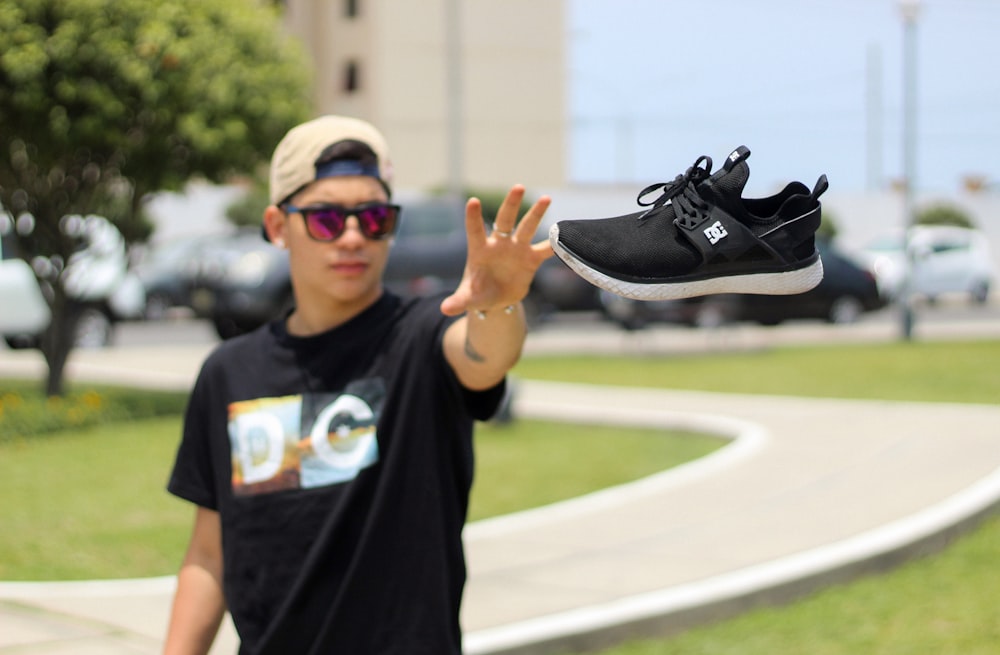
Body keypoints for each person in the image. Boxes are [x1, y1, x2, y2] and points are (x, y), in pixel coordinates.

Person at [163, 115, 553, 655]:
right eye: (325, 218)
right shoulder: (228, 372)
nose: (352, 236)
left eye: (373, 217)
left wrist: (499, 304)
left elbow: (484, 356)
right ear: (278, 226)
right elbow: (209, 556)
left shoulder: (420, 337)